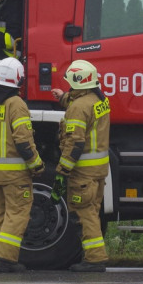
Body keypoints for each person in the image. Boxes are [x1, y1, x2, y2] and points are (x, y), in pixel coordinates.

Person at [0, 57, 44, 273]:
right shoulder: (16, 104)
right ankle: (6, 260)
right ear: (18, 79)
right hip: (14, 175)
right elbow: (24, 140)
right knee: (17, 213)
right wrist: (36, 165)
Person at [51, 60, 111, 272]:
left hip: (83, 173)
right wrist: (63, 97)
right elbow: (83, 105)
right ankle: (94, 256)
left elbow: (75, 143)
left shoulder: (78, 108)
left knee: (84, 214)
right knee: (92, 212)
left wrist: (62, 170)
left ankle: (94, 259)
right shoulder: (99, 100)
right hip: (98, 171)